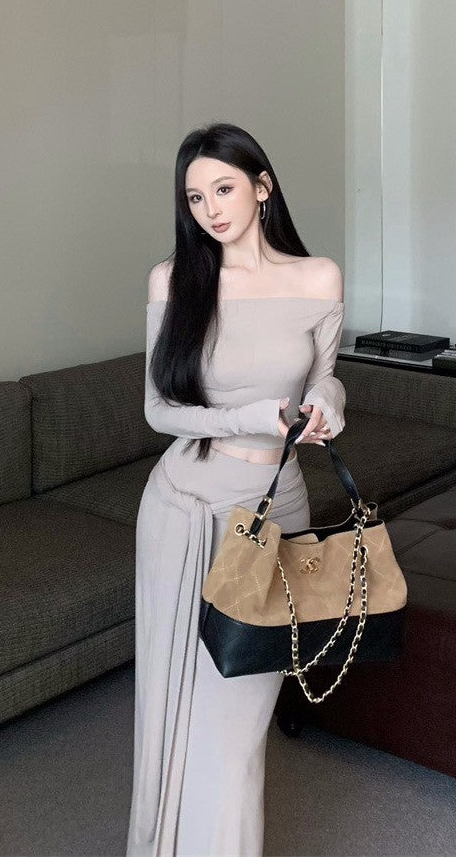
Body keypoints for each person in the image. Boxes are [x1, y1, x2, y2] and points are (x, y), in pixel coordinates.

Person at [126, 123, 346, 856]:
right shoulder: (173, 281)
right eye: (195, 197)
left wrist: (330, 402)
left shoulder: (318, 278)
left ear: (262, 185)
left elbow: (324, 374)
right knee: (171, 707)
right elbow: (159, 409)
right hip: (183, 508)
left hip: (274, 512)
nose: (211, 209)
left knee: (238, 729)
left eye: (223, 188)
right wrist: (248, 417)